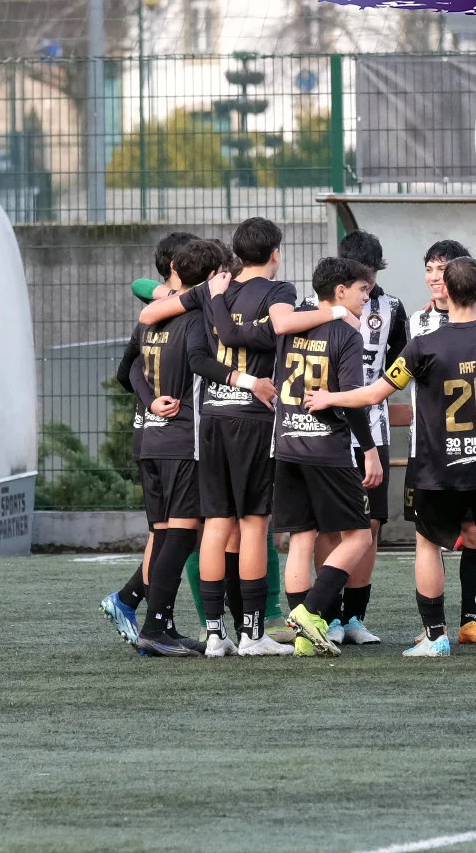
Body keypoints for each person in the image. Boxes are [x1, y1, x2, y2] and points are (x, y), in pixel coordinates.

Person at [306, 257, 476, 657]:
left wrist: (330, 396)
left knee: (427, 545)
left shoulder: (423, 347)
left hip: (439, 470)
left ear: (446, 293)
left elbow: (373, 394)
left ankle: (436, 636)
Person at [140, 217, 339, 656]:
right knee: (252, 525)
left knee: (216, 524)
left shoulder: (215, 287)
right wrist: (336, 311)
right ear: (274, 254)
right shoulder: (278, 290)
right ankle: (252, 635)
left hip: (210, 418)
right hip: (253, 418)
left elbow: (155, 318)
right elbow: (284, 327)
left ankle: (214, 635)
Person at [300, 230, 406, 645]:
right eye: (364, 276)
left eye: (375, 275)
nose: (371, 284)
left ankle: (354, 617)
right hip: (323, 432)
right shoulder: (312, 307)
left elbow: (404, 356)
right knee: (329, 527)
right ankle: (325, 615)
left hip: (373, 429)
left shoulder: (392, 307)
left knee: (370, 524)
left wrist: (378, 390)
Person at [404, 239, 476, 645]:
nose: (436, 277)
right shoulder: (413, 322)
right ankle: (451, 620)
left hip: (453, 453)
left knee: (457, 535)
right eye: (430, 268)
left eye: (442, 269)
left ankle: (463, 621)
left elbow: (382, 384)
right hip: (437, 449)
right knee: (455, 536)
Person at [275, 257, 381, 656]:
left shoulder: (293, 322)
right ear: (340, 291)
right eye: (362, 290)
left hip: (286, 444)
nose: (365, 298)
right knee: (358, 535)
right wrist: (369, 450)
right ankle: (312, 612)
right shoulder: (345, 333)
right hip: (326, 449)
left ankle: (306, 636)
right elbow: (353, 401)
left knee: (302, 539)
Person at [100, 231, 198, 644]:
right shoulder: (178, 310)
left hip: (152, 438)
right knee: (178, 532)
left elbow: (128, 370)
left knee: (167, 532)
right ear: (179, 269)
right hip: (171, 437)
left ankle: (141, 608)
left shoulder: (158, 310)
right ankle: (141, 608)